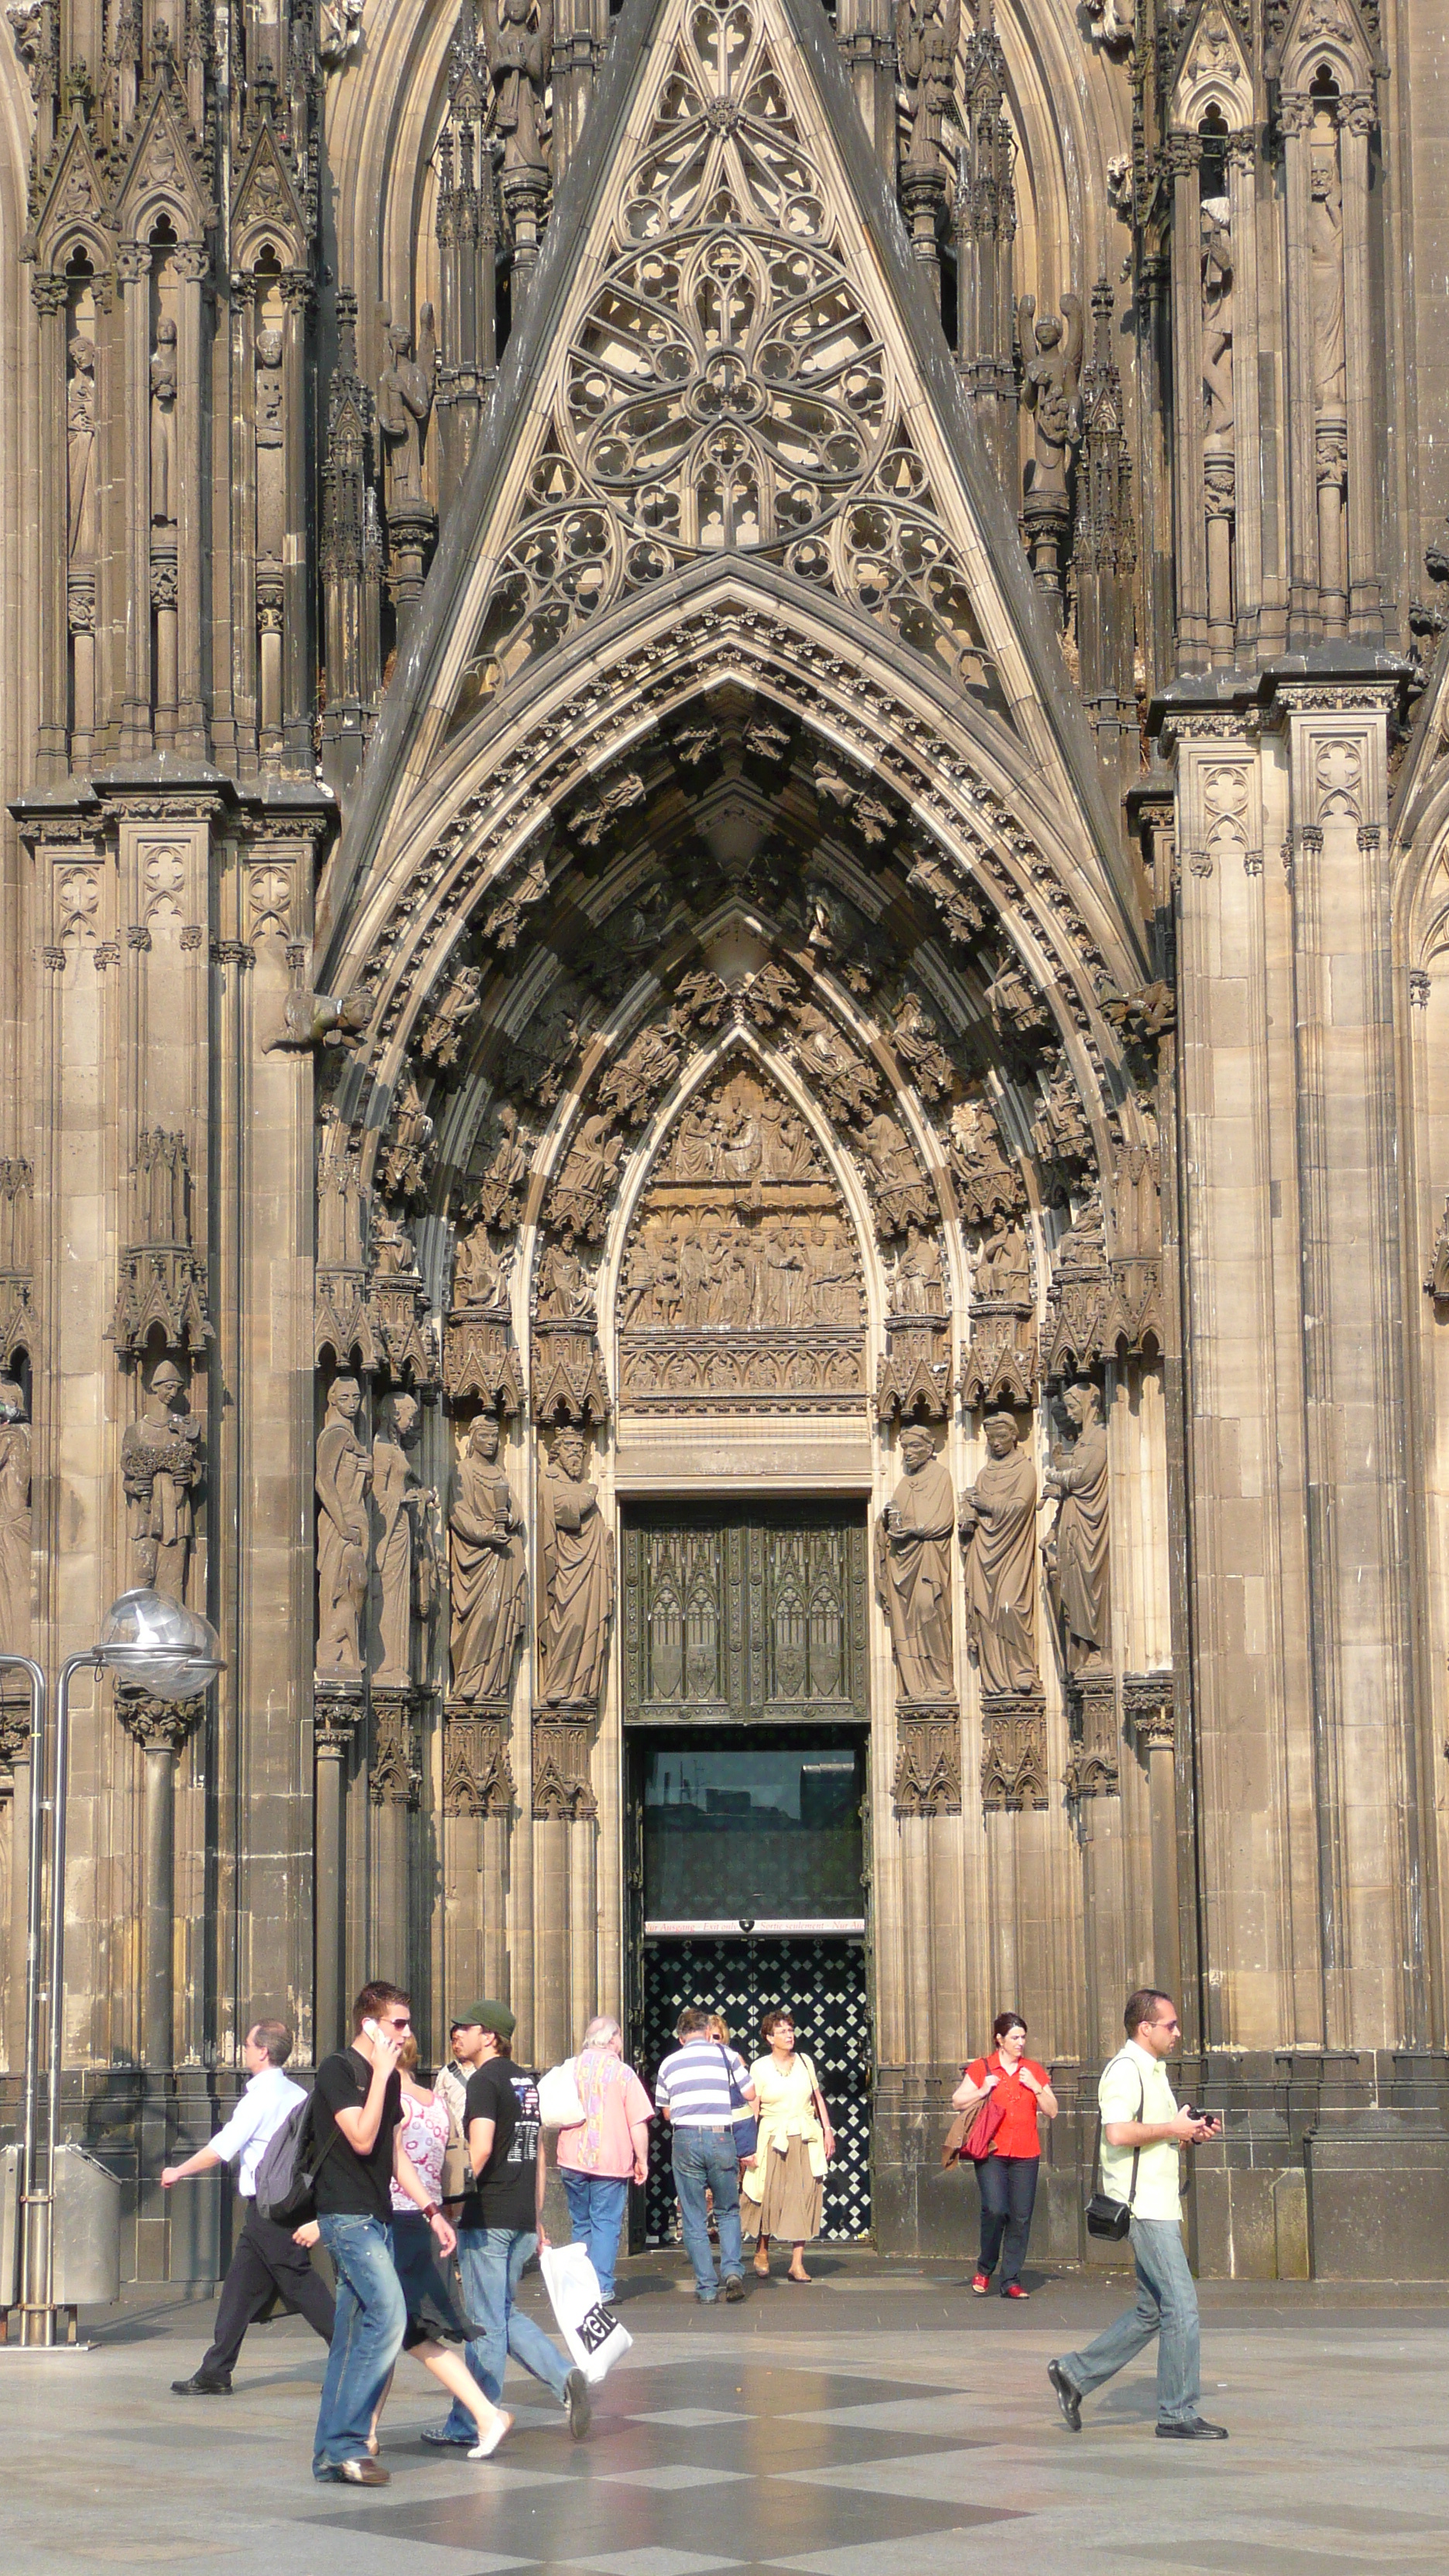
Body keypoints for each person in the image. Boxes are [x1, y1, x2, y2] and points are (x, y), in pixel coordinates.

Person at [1047, 1989, 1227, 2442]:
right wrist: (1172, 2128)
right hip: (1143, 2206)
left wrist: (1189, 2133)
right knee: (1181, 2306)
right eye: (1170, 2025)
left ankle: (1074, 2373)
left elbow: (1154, 2134)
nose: (1177, 2032)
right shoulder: (1125, 2071)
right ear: (1145, 2028)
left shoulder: (1155, 2071)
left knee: (1151, 2310)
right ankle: (1176, 2413)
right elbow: (1118, 2131)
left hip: (1161, 2202)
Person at [423, 2000, 592, 2451]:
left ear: (491, 2036)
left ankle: (472, 2420)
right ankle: (564, 2376)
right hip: (519, 2217)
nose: (455, 2033)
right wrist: (535, 2218)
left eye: (465, 2028)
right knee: (501, 2314)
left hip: (489, 2216)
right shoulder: (526, 2083)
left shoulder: (483, 2081)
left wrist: (444, 2205)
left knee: (483, 2324)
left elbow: (477, 2152)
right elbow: (536, 2155)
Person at [310, 1982, 460, 2486]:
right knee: (391, 2315)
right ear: (368, 2025)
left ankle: (331, 2453)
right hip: (345, 2217)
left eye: (408, 2023)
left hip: (379, 2217)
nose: (407, 2033)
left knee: (350, 2340)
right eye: (398, 2023)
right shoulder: (337, 2071)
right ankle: (351, 2445)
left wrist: (431, 2209)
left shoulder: (387, 2080)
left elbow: (393, 2152)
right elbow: (360, 2135)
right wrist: (378, 2075)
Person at [163, 2019, 334, 2394]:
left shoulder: (259, 2098)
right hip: (285, 2202)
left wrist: (179, 2170)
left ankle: (348, 2356)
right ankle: (215, 2370)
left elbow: (221, 2150)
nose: (244, 2051)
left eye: (247, 2045)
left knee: (300, 2282)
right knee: (239, 2288)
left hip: (269, 2207)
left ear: (263, 2052)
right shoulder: (297, 2094)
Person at [371, 2037, 512, 2460]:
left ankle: (486, 2413)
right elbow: (448, 2163)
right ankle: (367, 2430)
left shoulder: (389, 2099)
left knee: (403, 2331)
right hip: (426, 2217)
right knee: (389, 2331)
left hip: (395, 2215)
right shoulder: (435, 2102)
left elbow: (381, 2158)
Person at [655, 2006, 757, 2306]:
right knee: (728, 2209)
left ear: (681, 2036)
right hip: (720, 2136)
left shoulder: (669, 2063)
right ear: (705, 2028)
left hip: (685, 2137)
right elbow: (750, 2094)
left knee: (694, 2215)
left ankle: (706, 2288)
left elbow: (666, 2111)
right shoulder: (726, 2056)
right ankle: (733, 2272)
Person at [952, 2010, 1057, 2300]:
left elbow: (1053, 2110)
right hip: (992, 2151)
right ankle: (985, 2268)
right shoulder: (982, 2068)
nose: (1021, 2043)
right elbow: (957, 2101)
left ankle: (1010, 2279)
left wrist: (1036, 2088)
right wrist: (983, 2088)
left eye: (1023, 2037)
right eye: (1015, 2037)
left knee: (1021, 2217)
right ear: (999, 2039)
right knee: (995, 2209)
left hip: (1026, 2152)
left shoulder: (1033, 2069)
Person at [552, 2015, 653, 2303]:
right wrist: (642, 2159)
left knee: (581, 2223)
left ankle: (581, 2287)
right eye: (619, 2036)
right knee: (606, 2224)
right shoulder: (623, 2074)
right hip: (610, 2161)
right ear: (612, 2039)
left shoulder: (570, 2069)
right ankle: (602, 2286)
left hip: (572, 2157)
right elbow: (637, 2122)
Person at [742, 2007, 834, 2285]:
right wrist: (747, 2145)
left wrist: (828, 2131)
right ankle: (762, 2249)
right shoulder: (759, 2067)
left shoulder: (805, 2062)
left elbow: (817, 2098)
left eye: (790, 2030)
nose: (788, 2035)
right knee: (769, 2194)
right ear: (769, 2038)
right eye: (781, 2031)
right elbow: (753, 2107)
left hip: (805, 2135)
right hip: (772, 2136)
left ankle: (797, 2263)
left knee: (804, 2194)